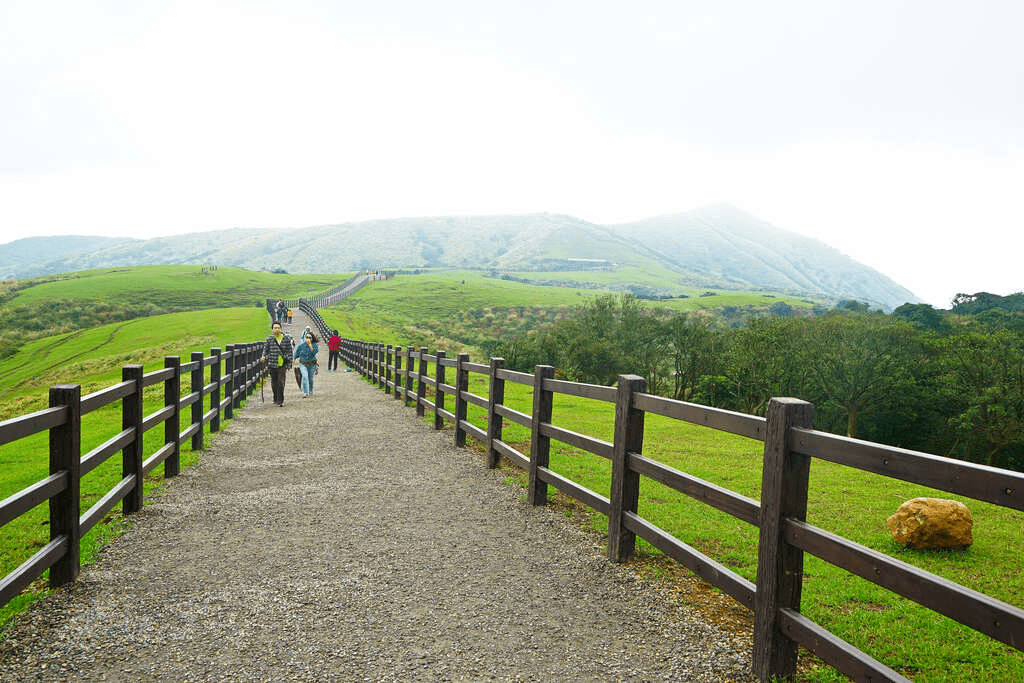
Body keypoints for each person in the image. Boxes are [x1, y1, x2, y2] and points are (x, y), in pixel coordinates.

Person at [261, 320, 294, 406]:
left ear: (281, 329)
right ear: (272, 329)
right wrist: (263, 357)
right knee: (274, 382)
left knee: (281, 382)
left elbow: (290, 351)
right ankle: (275, 397)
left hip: (282, 364)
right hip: (272, 364)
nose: (277, 329)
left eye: (278, 328)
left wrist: (289, 362)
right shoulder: (269, 339)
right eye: (275, 328)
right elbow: (265, 350)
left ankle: (280, 400)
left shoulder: (286, 339)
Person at [293, 330, 319, 397]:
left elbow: (314, 353)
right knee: (304, 376)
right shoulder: (301, 346)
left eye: (309, 337)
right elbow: (296, 354)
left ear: (312, 338)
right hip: (302, 364)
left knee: (310, 378)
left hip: (312, 364)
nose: (308, 339)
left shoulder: (315, 345)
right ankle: (305, 392)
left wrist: (310, 345)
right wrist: (293, 360)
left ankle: (310, 390)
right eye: (307, 337)